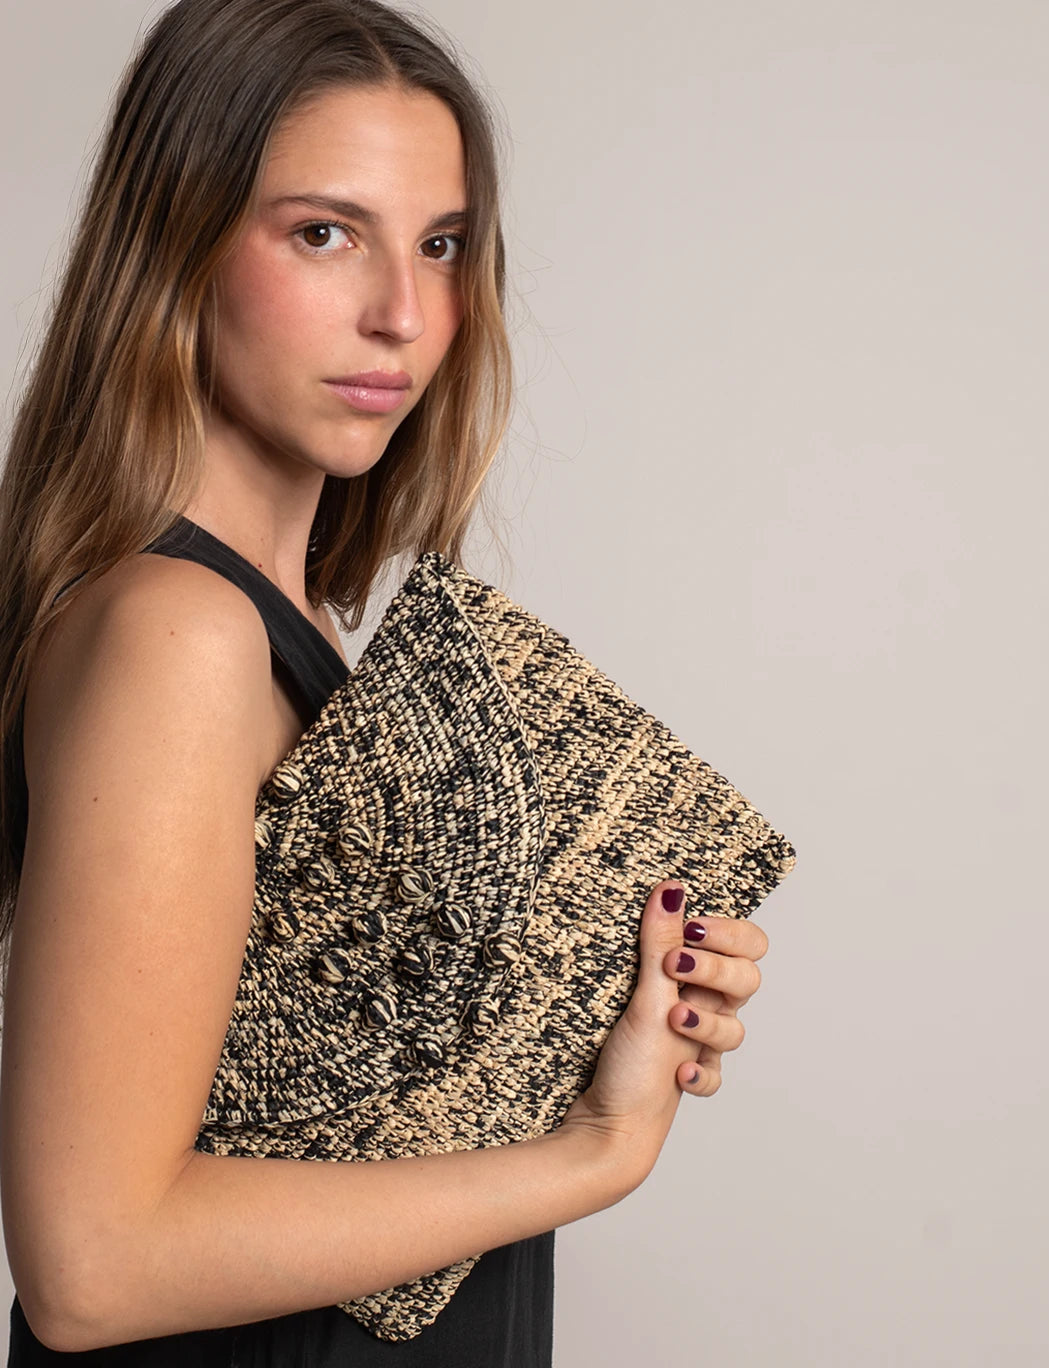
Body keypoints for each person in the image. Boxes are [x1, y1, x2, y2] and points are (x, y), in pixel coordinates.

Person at [0, 0, 770, 1361]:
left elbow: (312, 1123)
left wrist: (597, 999)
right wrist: (593, 1152)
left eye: (442, 245)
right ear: (176, 243)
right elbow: (94, 1264)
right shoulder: (180, 634)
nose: (403, 315)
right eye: (323, 233)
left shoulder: (278, 629)